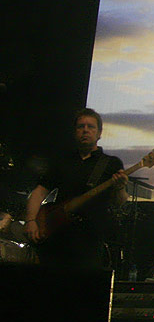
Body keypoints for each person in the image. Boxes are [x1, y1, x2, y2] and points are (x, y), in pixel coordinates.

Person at [23, 108, 128, 268]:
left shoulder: (111, 163)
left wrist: (120, 188)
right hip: (57, 236)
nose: (85, 130)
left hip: (90, 238)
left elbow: (119, 202)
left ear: (99, 133)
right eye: (81, 126)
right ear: (75, 132)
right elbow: (39, 192)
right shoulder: (62, 161)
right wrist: (31, 221)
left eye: (91, 127)